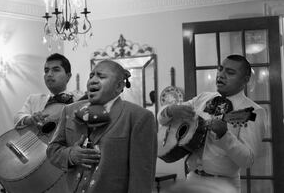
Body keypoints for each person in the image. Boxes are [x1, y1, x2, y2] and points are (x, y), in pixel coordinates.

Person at [158, 54, 266, 193]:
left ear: (245, 80)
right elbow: (162, 118)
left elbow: (247, 160)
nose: (221, 75)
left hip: (224, 184)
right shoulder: (203, 98)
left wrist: (224, 136)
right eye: (220, 69)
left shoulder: (253, 112)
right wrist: (171, 110)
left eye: (230, 72)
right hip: (192, 178)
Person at [46, 60, 157, 193]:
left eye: (101, 76)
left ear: (119, 86)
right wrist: (71, 155)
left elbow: (141, 179)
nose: (93, 80)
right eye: (91, 76)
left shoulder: (139, 117)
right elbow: (52, 149)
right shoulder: (69, 111)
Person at [14, 53, 83, 129]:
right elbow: (17, 117)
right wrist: (29, 119)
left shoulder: (78, 100)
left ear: (68, 76)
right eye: (46, 71)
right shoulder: (33, 99)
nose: (49, 74)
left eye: (56, 70)